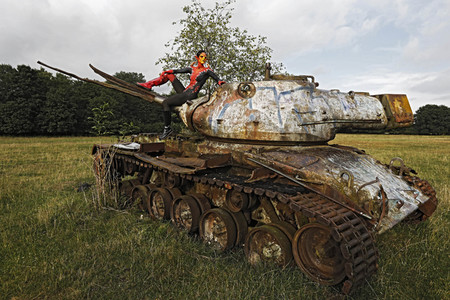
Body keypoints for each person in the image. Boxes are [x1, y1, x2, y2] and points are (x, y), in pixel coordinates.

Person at [137, 50, 226, 139]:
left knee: (165, 103)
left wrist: (220, 82)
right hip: (185, 92)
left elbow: (216, 78)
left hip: (190, 95)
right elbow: (178, 71)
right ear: (197, 58)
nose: (204, 59)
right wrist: (166, 71)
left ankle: (167, 128)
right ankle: (148, 84)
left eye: (205, 57)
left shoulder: (207, 71)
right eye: (202, 57)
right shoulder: (192, 69)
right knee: (169, 75)